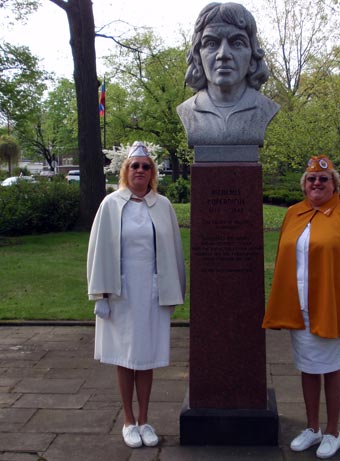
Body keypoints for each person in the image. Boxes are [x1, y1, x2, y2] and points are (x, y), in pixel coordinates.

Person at [262, 155, 340, 459]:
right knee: (308, 367)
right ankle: (312, 427)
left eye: (323, 179)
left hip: (333, 307)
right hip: (300, 308)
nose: (317, 183)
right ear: (304, 185)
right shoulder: (293, 214)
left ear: (334, 184)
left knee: (331, 368)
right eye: (311, 179)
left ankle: (332, 430)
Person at [87, 141, 186, 449]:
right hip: (121, 291)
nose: (140, 171)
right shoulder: (111, 204)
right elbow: (98, 250)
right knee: (125, 357)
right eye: (134, 166)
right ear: (125, 171)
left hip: (152, 291)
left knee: (146, 357)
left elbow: (174, 253)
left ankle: (145, 419)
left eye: (145, 166)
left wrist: (173, 291)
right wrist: (100, 294)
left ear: (152, 172)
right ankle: (128, 420)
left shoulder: (163, 205)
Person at [176, 2, 279, 147]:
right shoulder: (187, 110)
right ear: (198, 54)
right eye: (211, 43)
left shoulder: (265, 108)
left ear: (252, 53)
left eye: (237, 43)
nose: (223, 54)